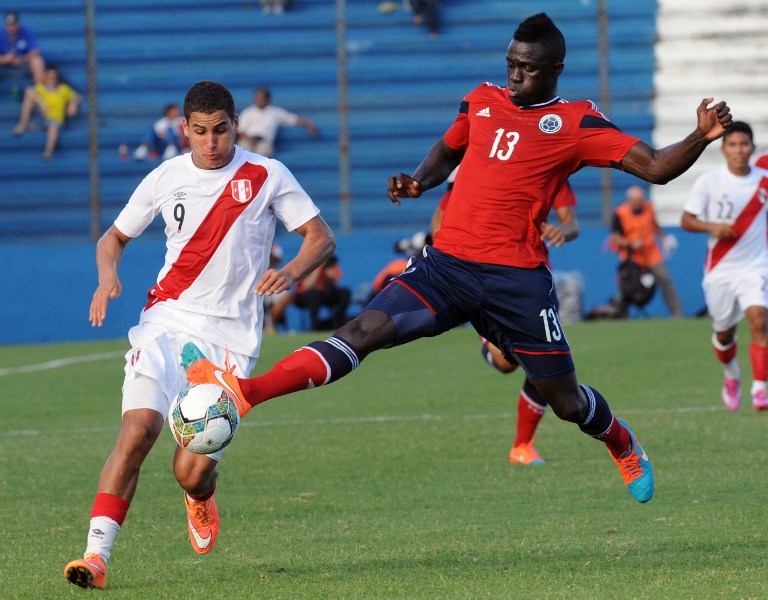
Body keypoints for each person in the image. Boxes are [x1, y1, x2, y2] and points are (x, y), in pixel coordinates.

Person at [184, 13, 733, 508]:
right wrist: (419, 181)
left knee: (564, 402)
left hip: (517, 281)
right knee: (364, 329)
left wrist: (702, 136)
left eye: (528, 70)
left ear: (555, 70)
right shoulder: (481, 100)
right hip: (446, 266)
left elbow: (658, 167)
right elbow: (451, 148)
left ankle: (620, 441)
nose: (516, 77)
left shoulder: (577, 122)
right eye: (511, 65)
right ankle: (246, 393)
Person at [63, 80, 335, 590]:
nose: (212, 143)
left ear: (237, 126)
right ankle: (95, 557)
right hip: (166, 321)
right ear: (184, 129)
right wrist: (108, 278)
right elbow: (112, 238)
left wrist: (293, 271)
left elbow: (320, 236)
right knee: (138, 430)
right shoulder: (166, 176)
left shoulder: (267, 174)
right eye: (201, 132)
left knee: (190, 470)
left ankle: (200, 495)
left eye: (222, 131)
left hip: (230, 341)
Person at [434, 170, 580, 465]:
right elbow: (440, 217)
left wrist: (561, 231)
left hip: (533, 277)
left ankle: (522, 446)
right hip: (486, 275)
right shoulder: (480, 165)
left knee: (544, 359)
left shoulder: (552, 163)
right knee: (505, 363)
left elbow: (571, 221)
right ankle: (493, 346)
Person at [681, 121, 768, 413]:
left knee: (759, 319)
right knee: (724, 334)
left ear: (752, 148)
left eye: (744, 144)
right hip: (720, 269)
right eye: (733, 145)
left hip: (755, 266)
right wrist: (713, 226)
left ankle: (760, 390)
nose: (739, 150)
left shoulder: (763, 179)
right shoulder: (709, 181)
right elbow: (687, 220)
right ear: (723, 149)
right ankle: (731, 375)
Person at [610, 185, 683, 317]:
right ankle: (619, 313)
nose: (639, 203)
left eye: (641, 199)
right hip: (632, 256)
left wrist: (664, 239)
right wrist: (630, 243)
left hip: (651, 253)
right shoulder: (620, 213)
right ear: (630, 200)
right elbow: (615, 238)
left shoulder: (649, 208)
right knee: (626, 285)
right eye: (636, 200)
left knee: (665, 279)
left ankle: (677, 312)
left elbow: (654, 225)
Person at [12, 66, 81, 160]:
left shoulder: (63, 89)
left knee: (53, 128)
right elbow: (28, 91)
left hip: (54, 121)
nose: (52, 80)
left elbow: (77, 96)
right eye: (49, 77)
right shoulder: (41, 88)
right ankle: (22, 125)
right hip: (40, 119)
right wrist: (41, 102)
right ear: (45, 78)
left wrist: (73, 104)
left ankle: (47, 154)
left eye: (54, 77)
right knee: (29, 97)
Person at [237, 87, 317, 157]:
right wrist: (250, 140)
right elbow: (240, 130)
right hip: (247, 139)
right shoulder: (248, 112)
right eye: (256, 97)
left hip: (265, 141)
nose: (258, 99)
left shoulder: (276, 112)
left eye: (261, 97)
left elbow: (293, 119)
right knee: (242, 152)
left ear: (267, 99)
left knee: (263, 155)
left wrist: (308, 123)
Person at [293, 254, 352, 330]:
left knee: (344, 293)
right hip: (304, 296)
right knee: (314, 295)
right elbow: (306, 287)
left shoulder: (331, 265)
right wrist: (318, 268)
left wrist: (331, 277)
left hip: (323, 294)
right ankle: (314, 326)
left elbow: (335, 286)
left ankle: (340, 323)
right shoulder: (307, 264)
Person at [0, 11, 45, 84]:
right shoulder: (1, 34)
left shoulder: (26, 32)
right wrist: (5, 59)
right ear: (6, 25)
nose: (12, 27)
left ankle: (40, 90)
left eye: (14, 24)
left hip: (23, 64)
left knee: (37, 61)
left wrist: (21, 59)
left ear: (18, 24)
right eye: (9, 25)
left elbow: (35, 51)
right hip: (4, 65)